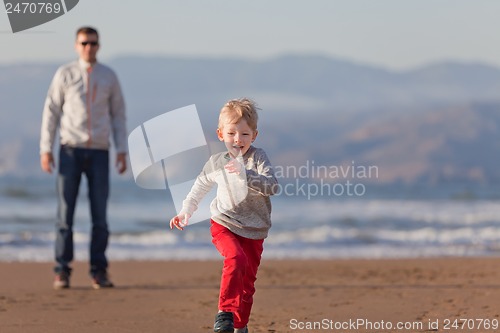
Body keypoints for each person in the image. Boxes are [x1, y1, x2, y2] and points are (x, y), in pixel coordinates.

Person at [169, 98, 278, 333]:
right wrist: (185, 211)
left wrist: (245, 174)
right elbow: (199, 187)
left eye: (244, 134)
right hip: (224, 223)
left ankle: (240, 326)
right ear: (221, 134)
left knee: (247, 285)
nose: (238, 140)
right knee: (235, 259)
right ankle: (224, 313)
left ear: (254, 135)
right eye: (232, 133)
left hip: (254, 229)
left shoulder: (258, 159)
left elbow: (272, 186)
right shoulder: (216, 162)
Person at [40, 26, 128, 290]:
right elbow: (51, 111)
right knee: (65, 213)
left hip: (100, 151)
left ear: (99, 46)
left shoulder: (109, 76)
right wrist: (46, 148)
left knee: (99, 215)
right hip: (70, 150)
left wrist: (121, 149)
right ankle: (62, 269)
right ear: (76, 45)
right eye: (84, 43)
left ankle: (98, 271)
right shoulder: (65, 74)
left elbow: (118, 115)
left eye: (93, 43)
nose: (89, 47)